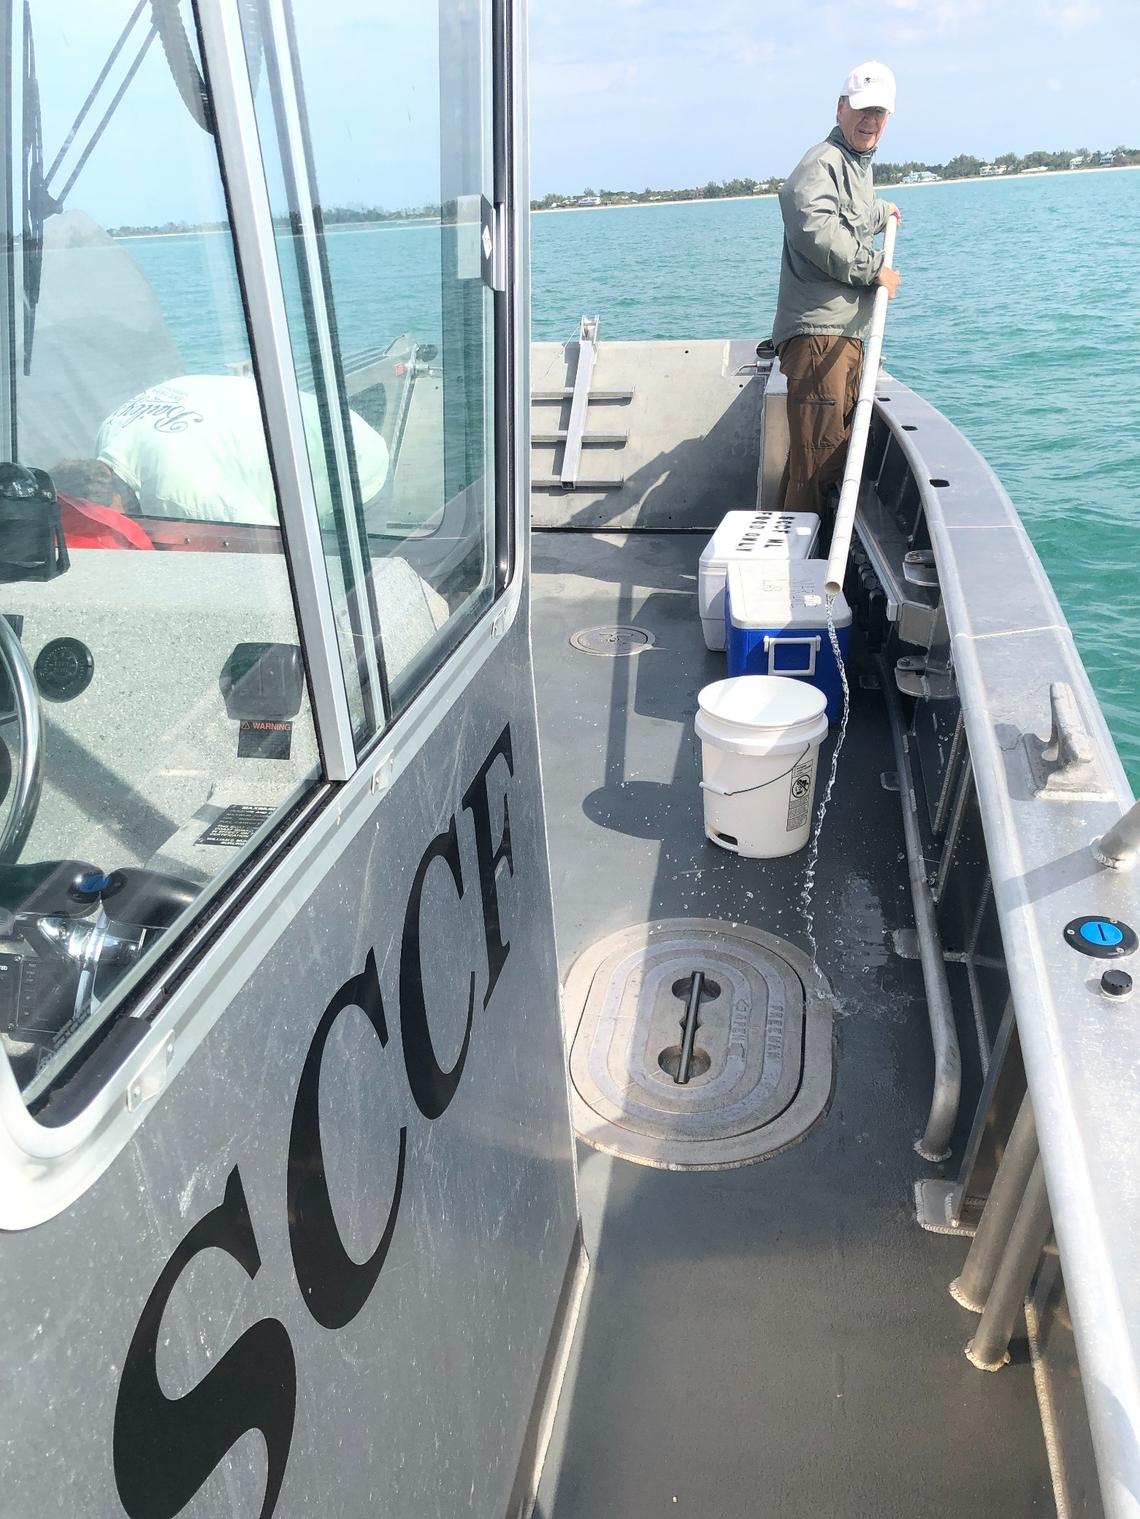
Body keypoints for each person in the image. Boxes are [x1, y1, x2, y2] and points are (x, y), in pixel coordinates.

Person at [772, 61, 902, 520]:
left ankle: (790, 553)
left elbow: (851, 214)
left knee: (813, 456)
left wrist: (883, 210)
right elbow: (815, 227)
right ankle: (799, 571)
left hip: (841, 334)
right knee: (820, 461)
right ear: (841, 108)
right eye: (862, 110)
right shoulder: (821, 162)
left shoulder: (854, 166)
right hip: (818, 336)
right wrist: (874, 269)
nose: (870, 121)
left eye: (879, 113)